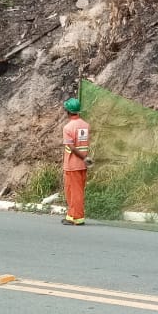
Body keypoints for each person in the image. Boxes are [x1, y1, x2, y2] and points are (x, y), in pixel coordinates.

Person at [61, 97, 91, 226]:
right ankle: (71, 215)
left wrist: (83, 158)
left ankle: (78, 218)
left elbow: (72, 147)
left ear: (68, 111)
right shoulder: (85, 125)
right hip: (82, 165)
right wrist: (85, 158)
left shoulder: (68, 127)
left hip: (73, 165)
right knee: (73, 191)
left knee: (75, 192)